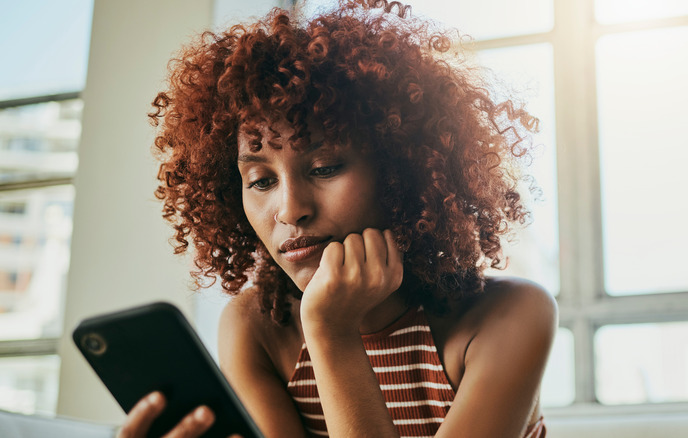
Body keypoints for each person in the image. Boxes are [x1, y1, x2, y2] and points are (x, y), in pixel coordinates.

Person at [120, 0, 557, 436]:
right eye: (261, 181)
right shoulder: (258, 328)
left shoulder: (509, 317)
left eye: (324, 168)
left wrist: (331, 331)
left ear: (399, 172)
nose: (290, 209)